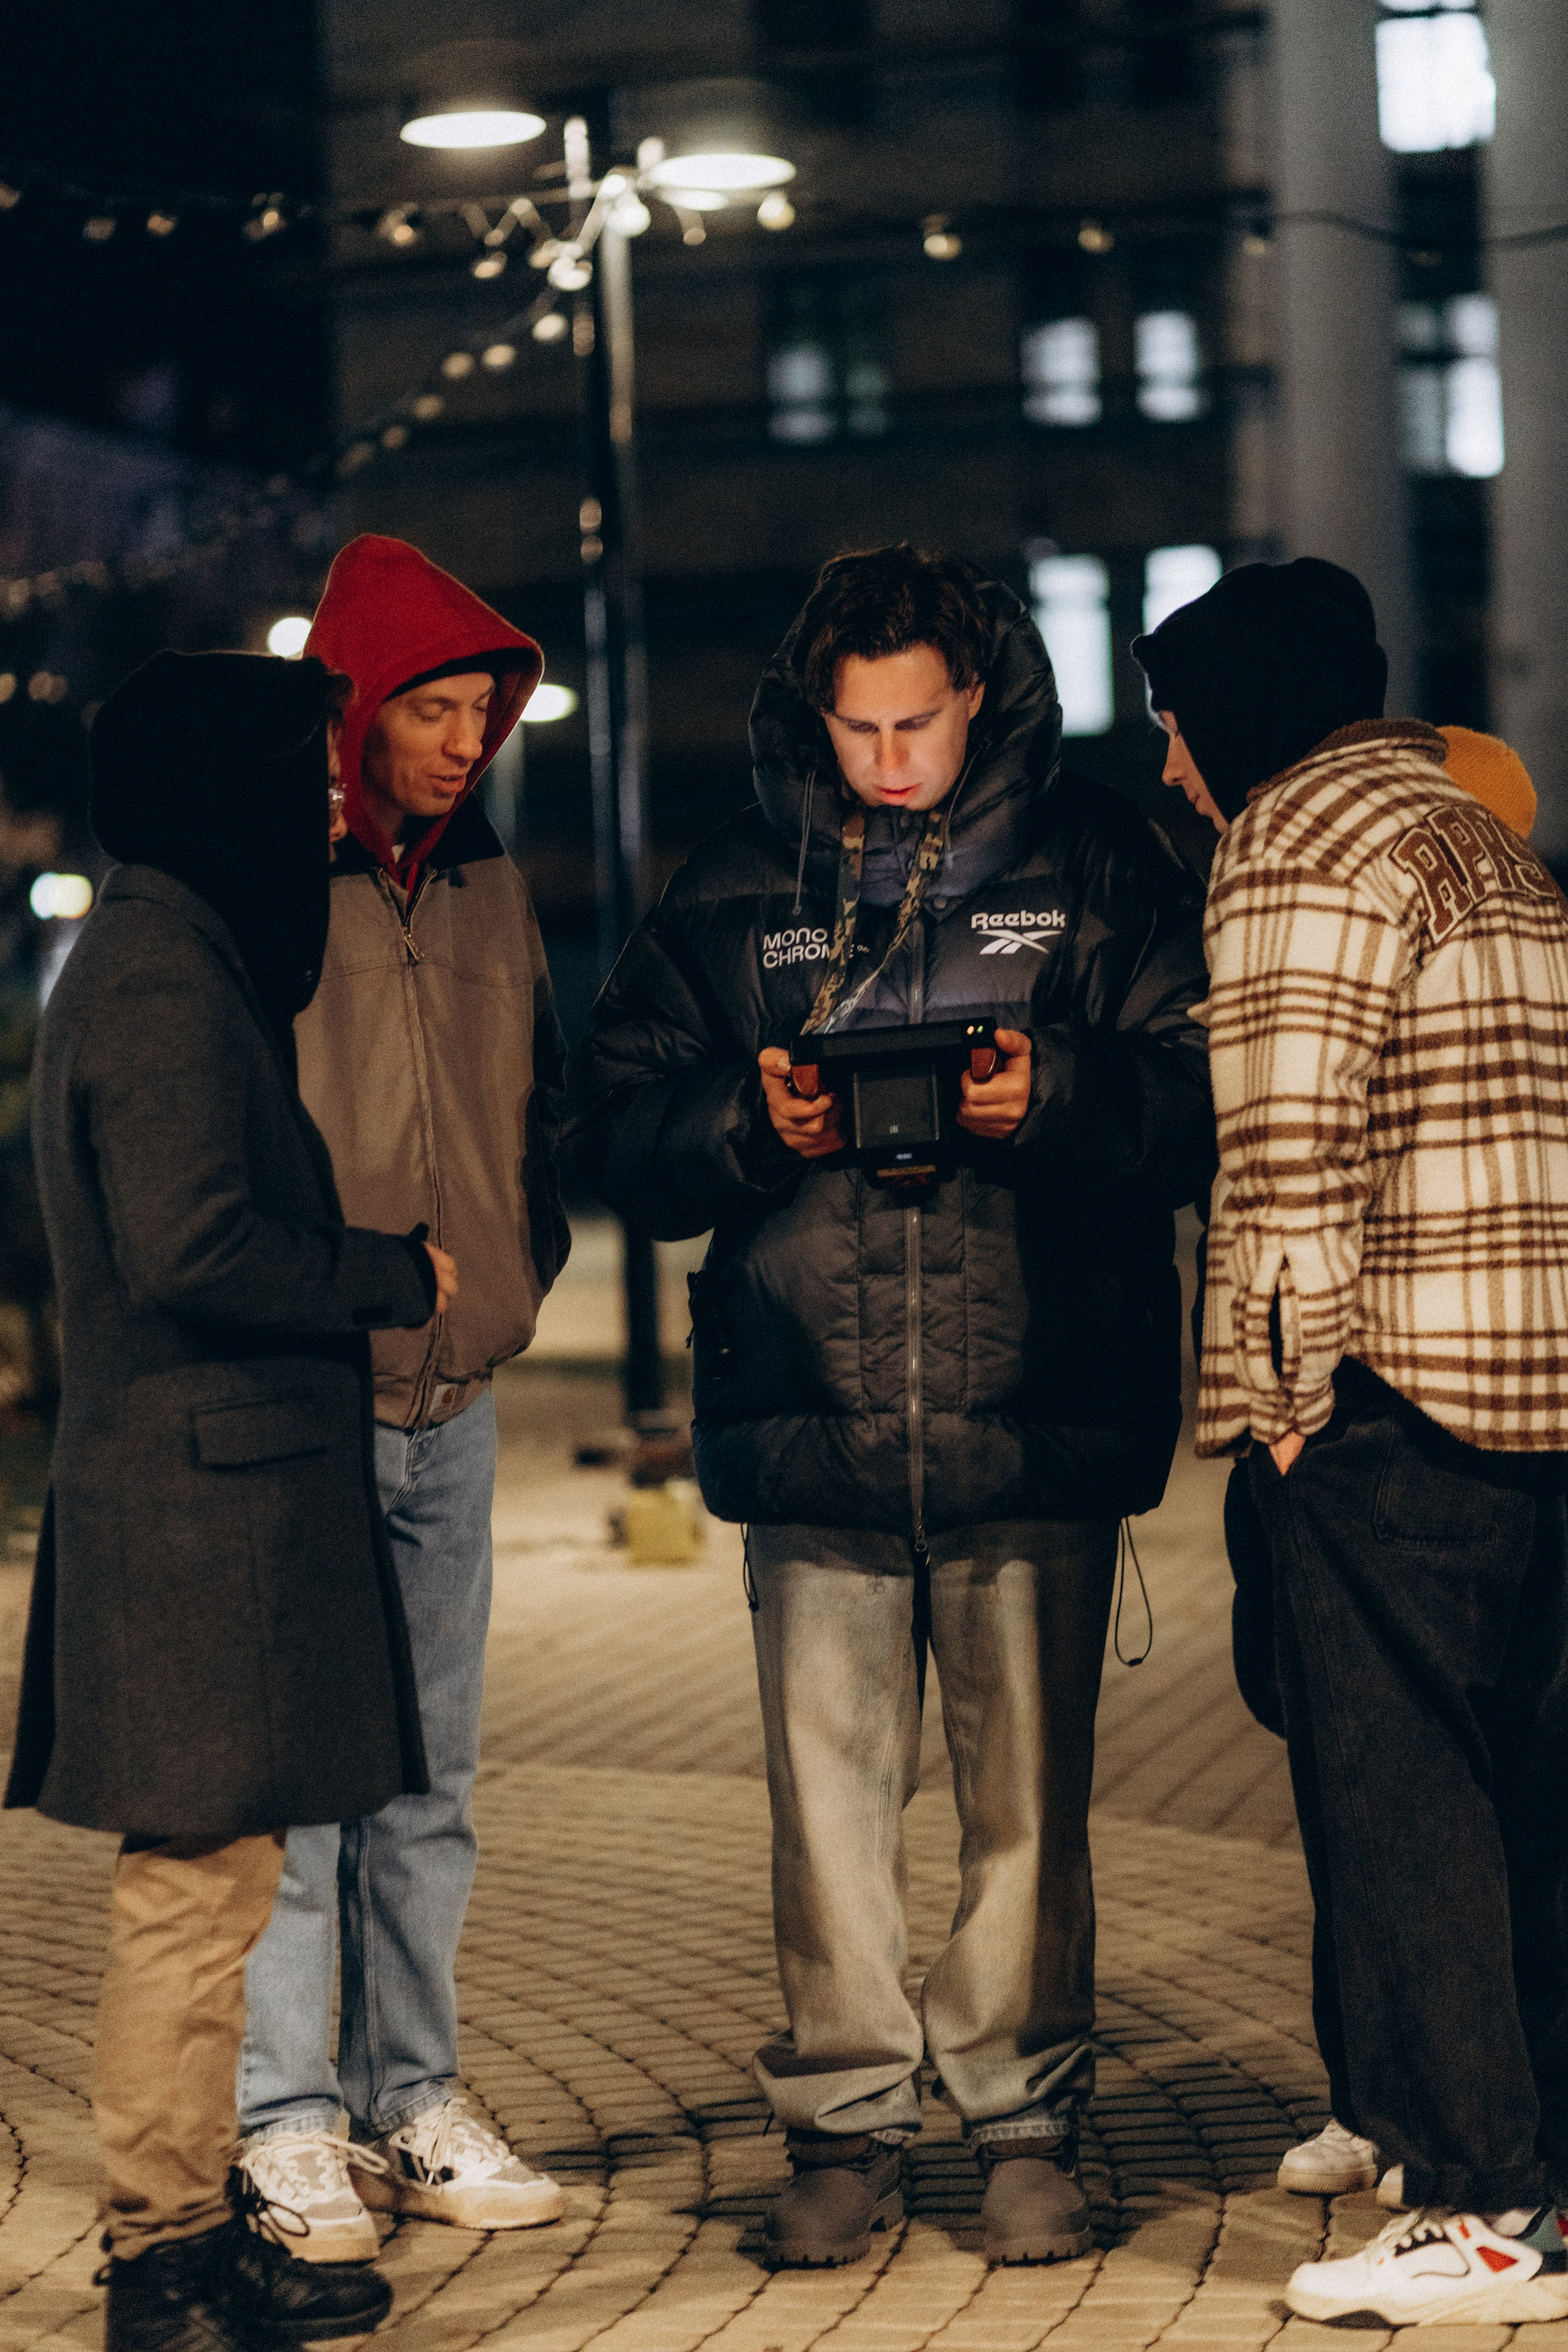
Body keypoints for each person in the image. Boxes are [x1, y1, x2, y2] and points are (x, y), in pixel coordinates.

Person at [566, 545, 1213, 2267]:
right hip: (812, 1413)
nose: (890, 761)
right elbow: (607, 1122)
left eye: (917, 723)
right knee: (826, 1814)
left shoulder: (1096, 867)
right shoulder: (738, 878)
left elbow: (1204, 1093)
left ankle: (1023, 2120)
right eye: (858, 729)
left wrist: (1055, 1096)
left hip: (1035, 1403)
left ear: (977, 693)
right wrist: (740, 1126)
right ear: (817, 714)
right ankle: (845, 2129)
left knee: (1030, 1810)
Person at [6, 650, 457, 2352]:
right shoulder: (155, 970)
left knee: (214, 1892)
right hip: (197, 1519)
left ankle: (193, 2240)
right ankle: (161, 2265)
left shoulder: (169, 949)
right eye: (304, 774)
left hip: (210, 1507)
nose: (327, 803)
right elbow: (191, 1241)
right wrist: (383, 1271)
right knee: (191, 1906)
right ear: (219, 785)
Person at [1136, 558, 1568, 2328]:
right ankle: (1532, 2181)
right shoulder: (1481, 838)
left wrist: (1288, 1412)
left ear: (1234, 713)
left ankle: (1476, 2203)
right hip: (1535, 1392)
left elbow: (1291, 1166)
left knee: (1402, 1813)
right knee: (1521, 1803)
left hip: (1387, 1399)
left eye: (1174, 727)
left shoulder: (1295, 840)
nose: (1170, 772)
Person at [236, 534, 571, 2253]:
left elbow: (531, 1100)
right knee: (304, 1785)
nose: (462, 739)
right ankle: (286, 2119)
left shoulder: (489, 876)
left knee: (430, 1778)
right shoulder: (277, 876)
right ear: (357, 706)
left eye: (481, 710)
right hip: (315, 1391)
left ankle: (410, 2095)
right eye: (431, 707)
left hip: (460, 1394)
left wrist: (524, 1261)